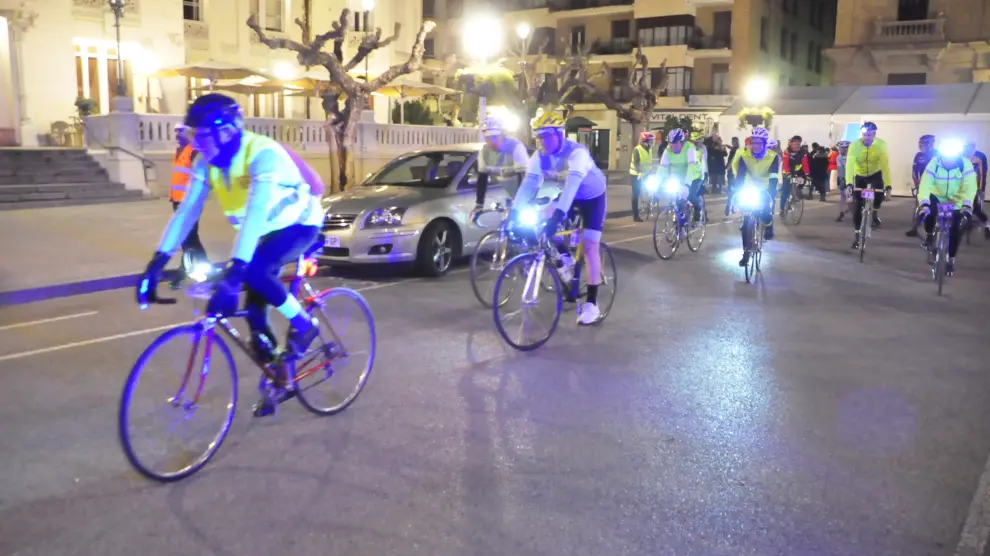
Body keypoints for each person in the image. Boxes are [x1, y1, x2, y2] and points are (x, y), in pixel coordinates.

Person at [135, 93, 325, 417]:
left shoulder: (262, 154)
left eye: (203, 137)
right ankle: (280, 377)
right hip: (263, 232)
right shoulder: (204, 163)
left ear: (226, 132)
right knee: (255, 318)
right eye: (194, 136)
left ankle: (305, 325)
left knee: (253, 274)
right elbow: (186, 213)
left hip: (299, 224)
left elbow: (254, 213)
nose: (196, 145)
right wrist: (156, 263)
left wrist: (236, 273)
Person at [512, 112, 608, 325]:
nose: (542, 141)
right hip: (569, 196)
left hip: (592, 198)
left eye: (546, 136)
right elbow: (529, 185)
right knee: (543, 218)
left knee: (590, 244)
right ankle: (564, 258)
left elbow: (572, 186)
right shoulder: (539, 156)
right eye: (538, 137)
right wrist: (514, 214)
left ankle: (592, 304)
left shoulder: (577, 154)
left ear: (559, 134)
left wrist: (557, 217)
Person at [916, 140, 977, 275]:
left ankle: (951, 260)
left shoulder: (965, 165)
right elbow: (925, 183)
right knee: (929, 213)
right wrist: (924, 203)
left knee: (955, 229)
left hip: (956, 199)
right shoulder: (934, 163)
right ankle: (930, 235)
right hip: (936, 195)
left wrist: (967, 205)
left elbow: (970, 186)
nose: (949, 160)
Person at [166, 125, 209, 288]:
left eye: (180, 132)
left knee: (189, 238)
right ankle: (186, 269)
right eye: (176, 132)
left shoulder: (194, 151)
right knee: (186, 238)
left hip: (189, 203)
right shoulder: (180, 151)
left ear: (189, 133)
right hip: (178, 200)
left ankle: (205, 270)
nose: (177, 134)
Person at [732, 126, 779, 267]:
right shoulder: (744, 156)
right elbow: (740, 176)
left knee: (765, 212)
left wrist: (770, 193)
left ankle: (769, 225)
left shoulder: (773, 157)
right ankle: (746, 252)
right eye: (753, 142)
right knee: (746, 222)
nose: (755, 146)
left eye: (759, 143)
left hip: (766, 187)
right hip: (750, 186)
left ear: (764, 144)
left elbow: (773, 177)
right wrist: (737, 191)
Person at [469, 116, 531, 223]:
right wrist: (479, 204)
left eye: (494, 137)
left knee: (524, 228)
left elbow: (524, 177)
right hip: (507, 194)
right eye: (488, 138)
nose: (491, 142)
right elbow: (482, 179)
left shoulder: (516, 147)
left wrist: (519, 204)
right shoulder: (484, 153)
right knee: (507, 227)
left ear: (503, 135)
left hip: (527, 190)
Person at [846, 121, 891, 249]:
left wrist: (888, 185)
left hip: (875, 173)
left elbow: (885, 166)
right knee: (857, 205)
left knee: (878, 196)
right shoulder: (854, 146)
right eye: (865, 134)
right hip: (860, 175)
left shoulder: (881, 145)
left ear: (874, 135)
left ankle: (875, 212)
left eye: (870, 135)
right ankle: (856, 234)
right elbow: (849, 165)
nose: (867, 138)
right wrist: (849, 183)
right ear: (862, 134)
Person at [655, 128, 701, 220]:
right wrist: (657, 184)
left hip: (694, 176)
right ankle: (679, 225)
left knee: (690, 196)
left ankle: (698, 209)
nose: (673, 147)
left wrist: (687, 184)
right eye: (671, 144)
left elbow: (691, 167)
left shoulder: (690, 148)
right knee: (677, 200)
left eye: (676, 144)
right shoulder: (668, 150)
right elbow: (662, 168)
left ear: (682, 142)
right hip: (678, 177)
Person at [906, 134, 937, 237]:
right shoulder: (918, 155)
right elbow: (915, 171)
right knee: (918, 207)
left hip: (937, 185)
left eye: (923, 143)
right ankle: (914, 228)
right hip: (923, 184)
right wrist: (917, 184)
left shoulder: (938, 155)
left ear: (931, 144)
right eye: (920, 143)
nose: (921, 146)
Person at [964, 141, 990, 239]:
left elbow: (982, 175)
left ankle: (987, 224)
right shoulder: (960, 158)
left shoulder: (978, 159)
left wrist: (981, 188)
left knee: (976, 209)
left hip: (973, 188)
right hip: (960, 187)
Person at [628, 131, 656, 222]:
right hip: (636, 175)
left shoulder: (649, 149)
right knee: (636, 194)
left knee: (653, 187)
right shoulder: (637, 149)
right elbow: (636, 163)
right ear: (645, 141)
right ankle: (635, 215)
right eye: (650, 141)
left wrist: (652, 171)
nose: (652, 143)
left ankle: (650, 203)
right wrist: (639, 172)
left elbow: (648, 162)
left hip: (646, 174)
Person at [781, 135, 810, 217]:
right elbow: (785, 164)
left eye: (799, 144)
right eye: (795, 144)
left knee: (801, 182)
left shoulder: (803, 152)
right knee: (786, 191)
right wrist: (788, 173)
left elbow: (805, 164)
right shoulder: (787, 152)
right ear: (791, 144)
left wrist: (807, 174)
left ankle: (796, 195)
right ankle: (782, 209)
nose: (797, 146)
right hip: (787, 172)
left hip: (798, 172)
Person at [834, 141, 851, 222]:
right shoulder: (839, 157)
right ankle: (841, 213)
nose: (843, 150)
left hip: (854, 177)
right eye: (841, 148)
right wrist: (841, 179)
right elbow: (840, 169)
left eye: (845, 148)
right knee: (843, 195)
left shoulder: (853, 156)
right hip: (844, 177)